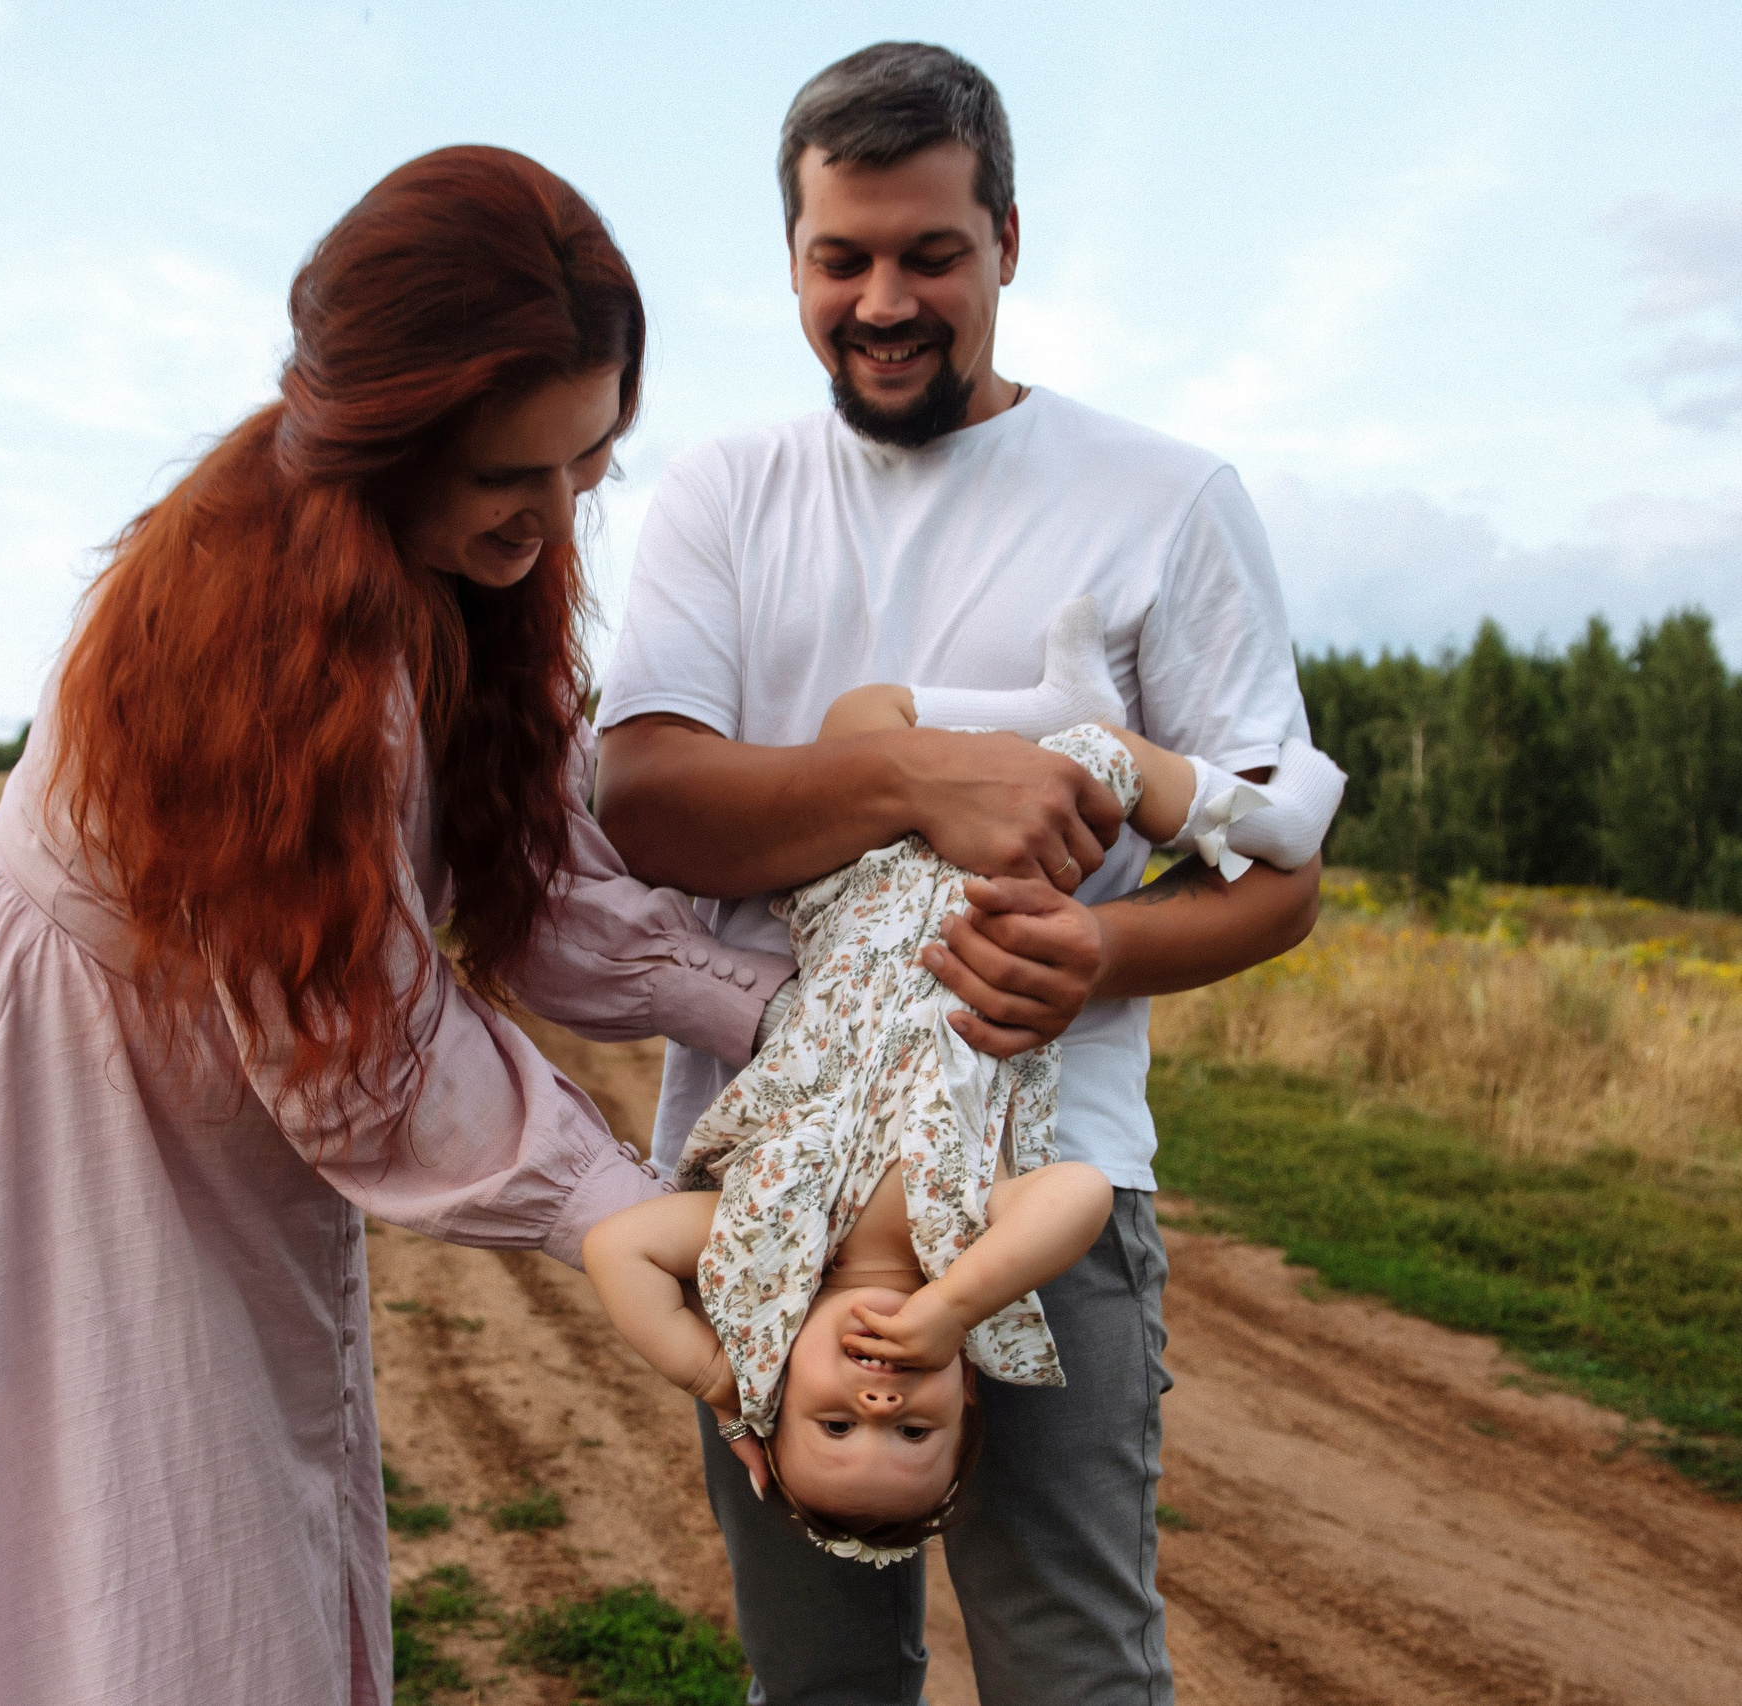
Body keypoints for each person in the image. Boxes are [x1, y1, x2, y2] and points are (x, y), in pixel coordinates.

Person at [0, 147, 800, 1706]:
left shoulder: (461, 562)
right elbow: (357, 1041)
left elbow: (532, 875)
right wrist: (603, 1200)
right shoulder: (271, 630)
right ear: (387, 431)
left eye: (590, 463)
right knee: (128, 1558)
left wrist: (777, 1010)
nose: (556, 510)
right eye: (515, 473)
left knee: (210, 1530)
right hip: (56, 1076)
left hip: (189, 1068)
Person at [593, 44, 1324, 1704]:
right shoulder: (723, 494)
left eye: (932, 252)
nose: (883, 299)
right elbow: (646, 799)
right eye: (840, 257)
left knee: (1073, 1665)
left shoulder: (1168, 500)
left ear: (1008, 237)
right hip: (779, 1205)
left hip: (1045, 1195)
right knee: (821, 1681)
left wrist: (1099, 958)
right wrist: (921, 771)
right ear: (790, 258)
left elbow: (1284, 875)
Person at [585, 620, 1338, 1572]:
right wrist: (952, 1306)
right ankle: (1281, 818)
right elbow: (1079, 1196)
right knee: (1101, 768)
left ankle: (1047, 710)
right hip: (993, 892)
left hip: (856, 889)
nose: (879, 1408)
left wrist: (724, 1379)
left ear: (779, 1392)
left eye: (831, 1426)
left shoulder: (753, 1247)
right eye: (913, 1438)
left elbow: (616, 1249)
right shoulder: (964, 1248)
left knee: (858, 720)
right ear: (967, 1401)